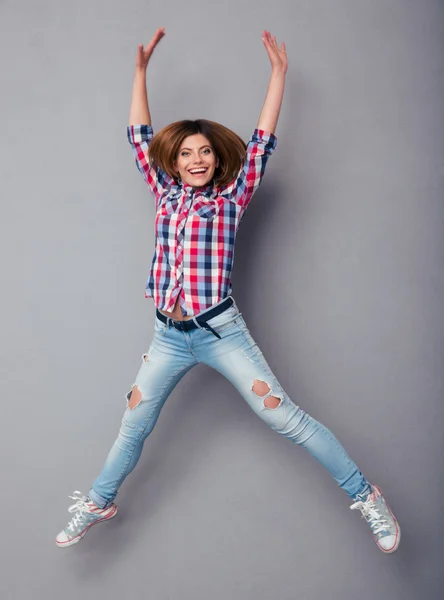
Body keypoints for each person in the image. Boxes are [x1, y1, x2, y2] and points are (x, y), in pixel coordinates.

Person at [56, 28, 400, 554]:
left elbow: (262, 141)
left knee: (286, 418)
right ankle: (100, 501)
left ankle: (366, 495)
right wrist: (141, 73)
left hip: (220, 332)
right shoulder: (164, 192)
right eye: (187, 153)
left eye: (206, 153)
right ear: (173, 162)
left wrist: (279, 76)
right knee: (132, 426)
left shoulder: (232, 199)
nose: (197, 159)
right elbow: (137, 134)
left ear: (218, 161)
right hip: (168, 336)